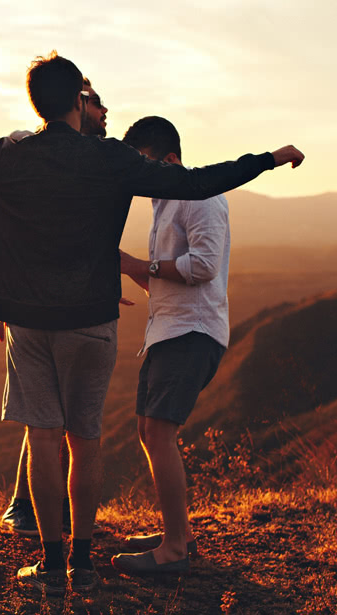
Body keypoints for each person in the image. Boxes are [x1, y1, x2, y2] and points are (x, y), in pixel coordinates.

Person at [0, 51, 303, 595]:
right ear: (79, 102)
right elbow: (197, 182)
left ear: (37, 102)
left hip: (29, 320)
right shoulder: (107, 158)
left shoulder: (10, 155)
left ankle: (52, 565)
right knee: (87, 441)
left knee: (43, 438)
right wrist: (267, 158)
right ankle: (83, 562)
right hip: (93, 318)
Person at [0, 77, 109, 538]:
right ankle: (27, 509)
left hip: (67, 304)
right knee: (46, 416)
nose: (106, 114)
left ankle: (41, 515)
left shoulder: (83, 161)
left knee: (53, 415)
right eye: (97, 103)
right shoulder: (29, 151)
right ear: (75, 104)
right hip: (35, 308)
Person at [111, 116, 236, 573]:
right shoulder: (164, 203)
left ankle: (174, 552)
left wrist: (142, 263)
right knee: (149, 431)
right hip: (168, 330)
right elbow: (169, 277)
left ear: (167, 159)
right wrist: (129, 269)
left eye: (140, 163)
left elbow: (202, 266)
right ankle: (176, 532)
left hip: (192, 332)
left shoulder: (199, 196)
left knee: (160, 432)